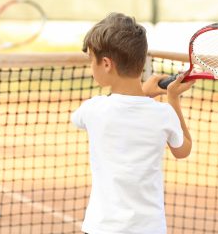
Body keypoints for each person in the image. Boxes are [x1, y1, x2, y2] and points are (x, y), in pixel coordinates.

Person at [71, 12, 193, 234]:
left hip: (101, 228)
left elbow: (79, 118)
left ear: (106, 63)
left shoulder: (93, 109)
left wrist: (144, 94)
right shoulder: (163, 113)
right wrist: (173, 99)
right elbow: (183, 149)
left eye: (91, 59)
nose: (91, 66)